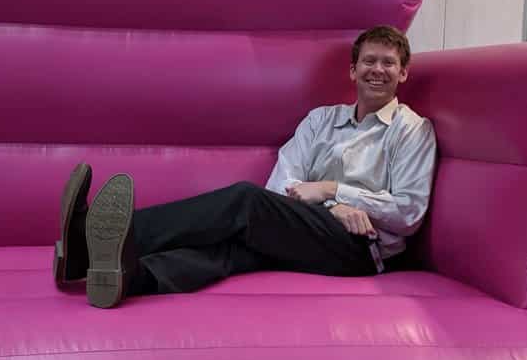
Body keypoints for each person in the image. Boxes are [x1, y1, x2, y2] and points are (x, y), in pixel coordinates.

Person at [52, 25, 437, 308]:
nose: (378, 69)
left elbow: (409, 213)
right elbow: (281, 184)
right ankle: (127, 276)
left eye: (389, 63)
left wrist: (333, 190)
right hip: (314, 227)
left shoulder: (411, 130)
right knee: (233, 250)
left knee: (244, 201)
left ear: (403, 73)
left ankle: (87, 241)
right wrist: (333, 209)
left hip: (362, 250)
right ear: (352, 71)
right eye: (369, 60)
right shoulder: (322, 120)